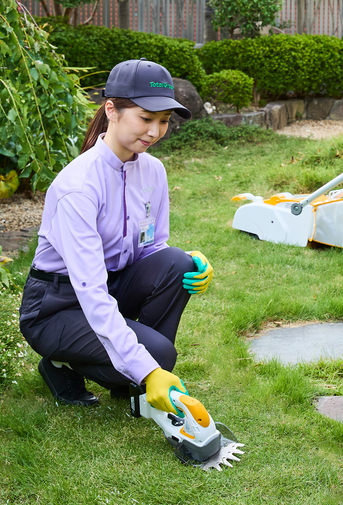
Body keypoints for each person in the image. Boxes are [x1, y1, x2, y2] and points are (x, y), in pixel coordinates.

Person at [19, 58, 214, 414]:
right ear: (112, 109)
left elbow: (153, 246)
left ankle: (137, 383)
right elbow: (90, 291)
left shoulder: (153, 171)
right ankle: (68, 363)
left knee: (177, 263)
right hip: (55, 307)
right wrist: (149, 368)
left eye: (164, 121)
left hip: (111, 285)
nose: (155, 132)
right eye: (146, 118)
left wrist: (191, 263)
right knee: (158, 356)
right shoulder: (78, 186)